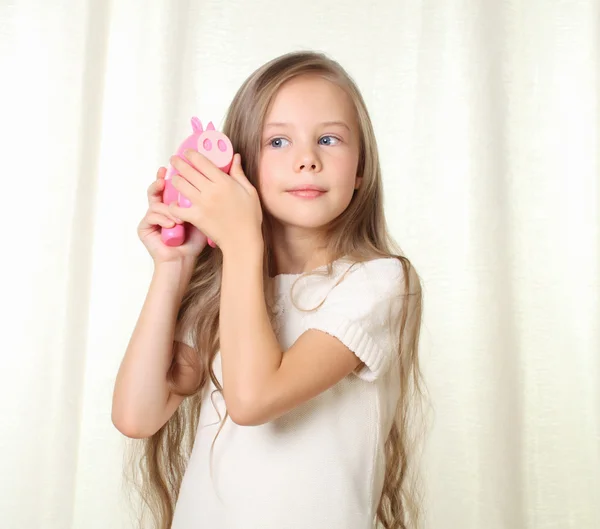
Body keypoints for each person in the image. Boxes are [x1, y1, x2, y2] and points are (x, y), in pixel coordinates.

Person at [112, 50, 425, 529]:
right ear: (242, 168)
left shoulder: (378, 282)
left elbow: (254, 399)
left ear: (360, 169)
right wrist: (173, 268)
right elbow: (137, 415)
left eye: (328, 139)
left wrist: (240, 240)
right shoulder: (231, 289)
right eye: (277, 141)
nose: (306, 159)